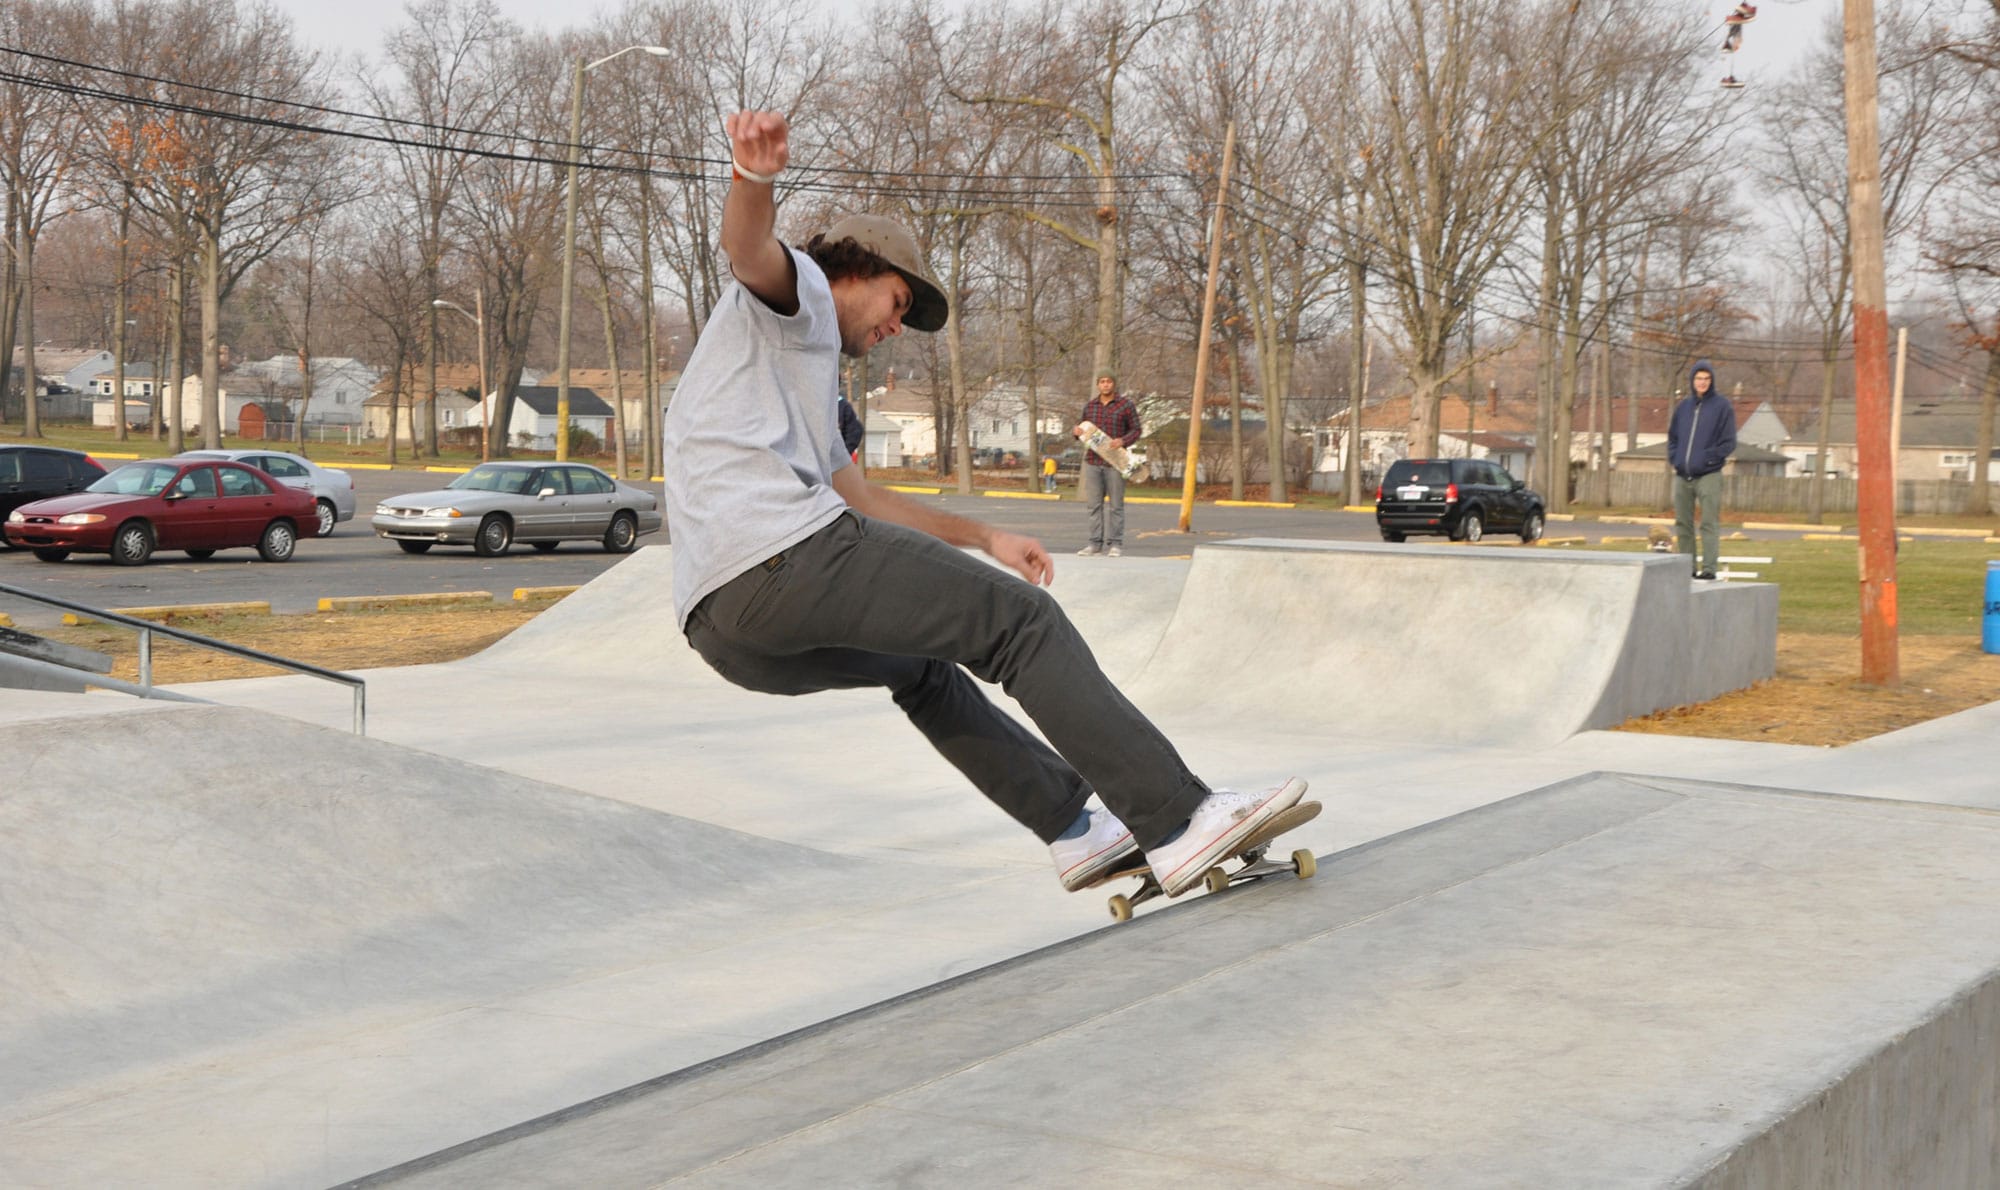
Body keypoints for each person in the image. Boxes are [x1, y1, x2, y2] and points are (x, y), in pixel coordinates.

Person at [661, 110, 1304, 899]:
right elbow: (747, 249)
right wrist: (753, 176)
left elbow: (858, 496)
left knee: (926, 669)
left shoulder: (803, 381)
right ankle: (1177, 821)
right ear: (855, 270)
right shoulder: (800, 298)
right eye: (898, 304)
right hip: (777, 557)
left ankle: (1075, 830)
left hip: (725, 628)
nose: (896, 327)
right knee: (1022, 624)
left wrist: (985, 535)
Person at [1666, 360, 1737, 580]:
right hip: (1682, 475)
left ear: (1712, 381)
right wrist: (1675, 459)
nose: (1702, 382)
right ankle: (1686, 568)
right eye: (1699, 378)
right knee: (1683, 523)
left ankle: (1708, 569)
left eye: (1706, 379)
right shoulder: (1683, 408)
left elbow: (1728, 442)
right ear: (1692, 381)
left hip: (1709, 474)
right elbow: (1673, 438)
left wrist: (1709, 458)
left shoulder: (1721, 407)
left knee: (1708, 522)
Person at [1074, 372, 1138, 557]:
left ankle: (1116, 543)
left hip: (1116, 463)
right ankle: (1094, 543)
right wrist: (1076, 432)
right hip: (1093, 462)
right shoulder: (1090, 407)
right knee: (1094, 505)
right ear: (1098, 385)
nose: (1105, 385)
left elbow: (1137, 429)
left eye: (1108, 381)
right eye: (1102, 382)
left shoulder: (1125, 405)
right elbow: (1082, 431)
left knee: (1116, 505)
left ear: (1114, 384)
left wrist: (1123, 441)